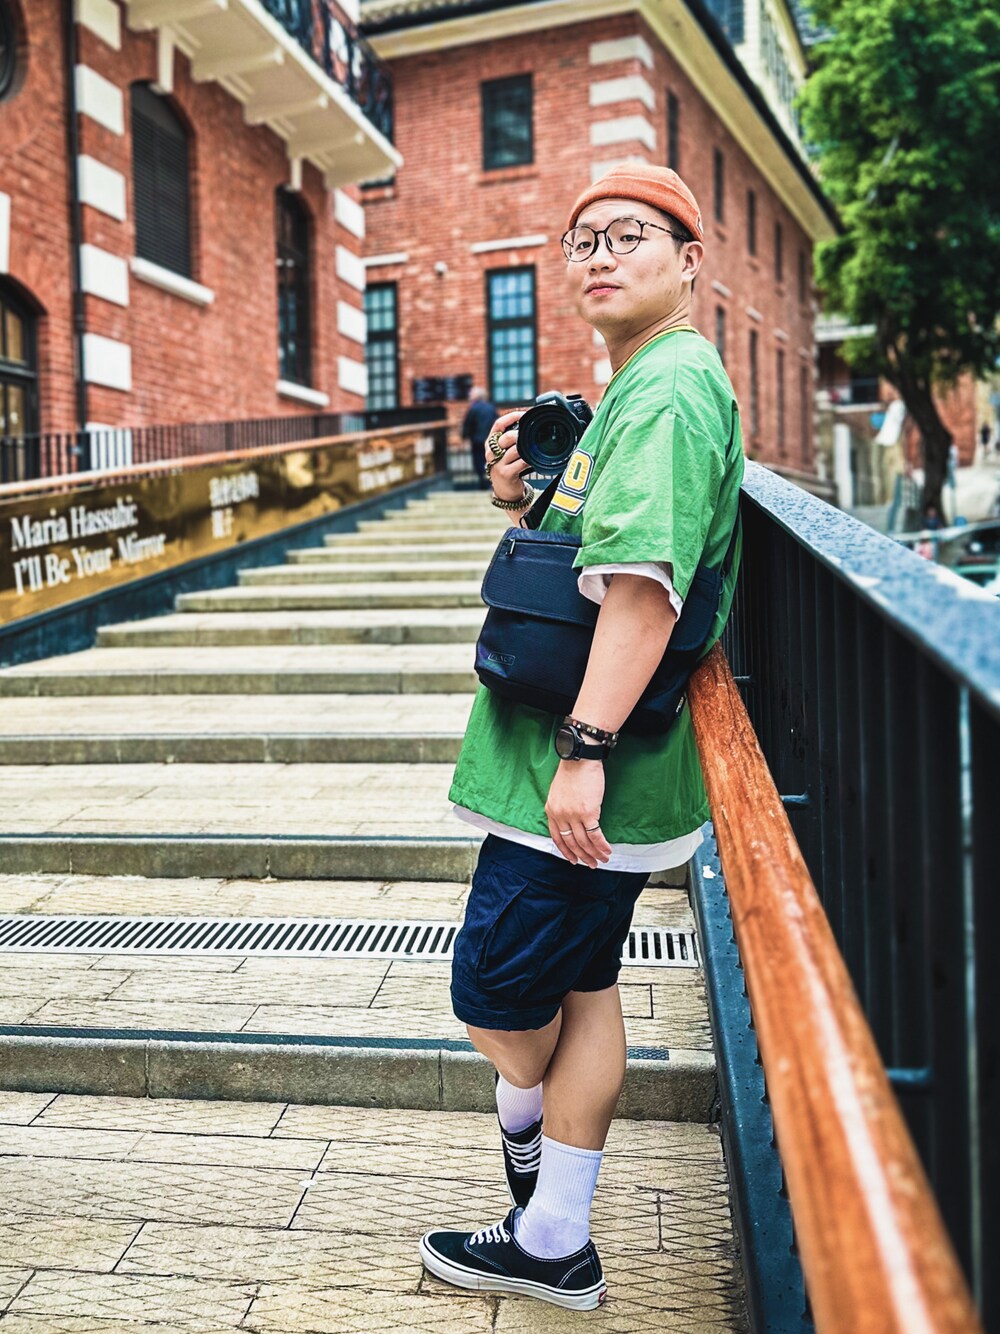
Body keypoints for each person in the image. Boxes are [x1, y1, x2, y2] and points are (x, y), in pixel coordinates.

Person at [419, 163, 744, 1310]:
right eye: (582, 239)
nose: (600, 254)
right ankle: (552, 1231)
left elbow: (644, 586)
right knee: (586, 984)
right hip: (599, 765)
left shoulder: (665, 391)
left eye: (629, 234)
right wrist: (523, 501)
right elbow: (590, 556)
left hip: (582, 770)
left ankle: (535, 1171)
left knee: (494, 997)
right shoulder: (645, 380)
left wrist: (584, 747)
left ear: (688, 261)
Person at [461, 386, 498, 488]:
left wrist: (464, 436)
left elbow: (468, 424)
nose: (469, 396)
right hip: (490, 439)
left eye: (471, 394)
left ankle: (483, 481)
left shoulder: (473, 408)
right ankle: (491, 481)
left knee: (478, 462)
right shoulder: (491, 407)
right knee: (490, 460)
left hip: (477, 440)